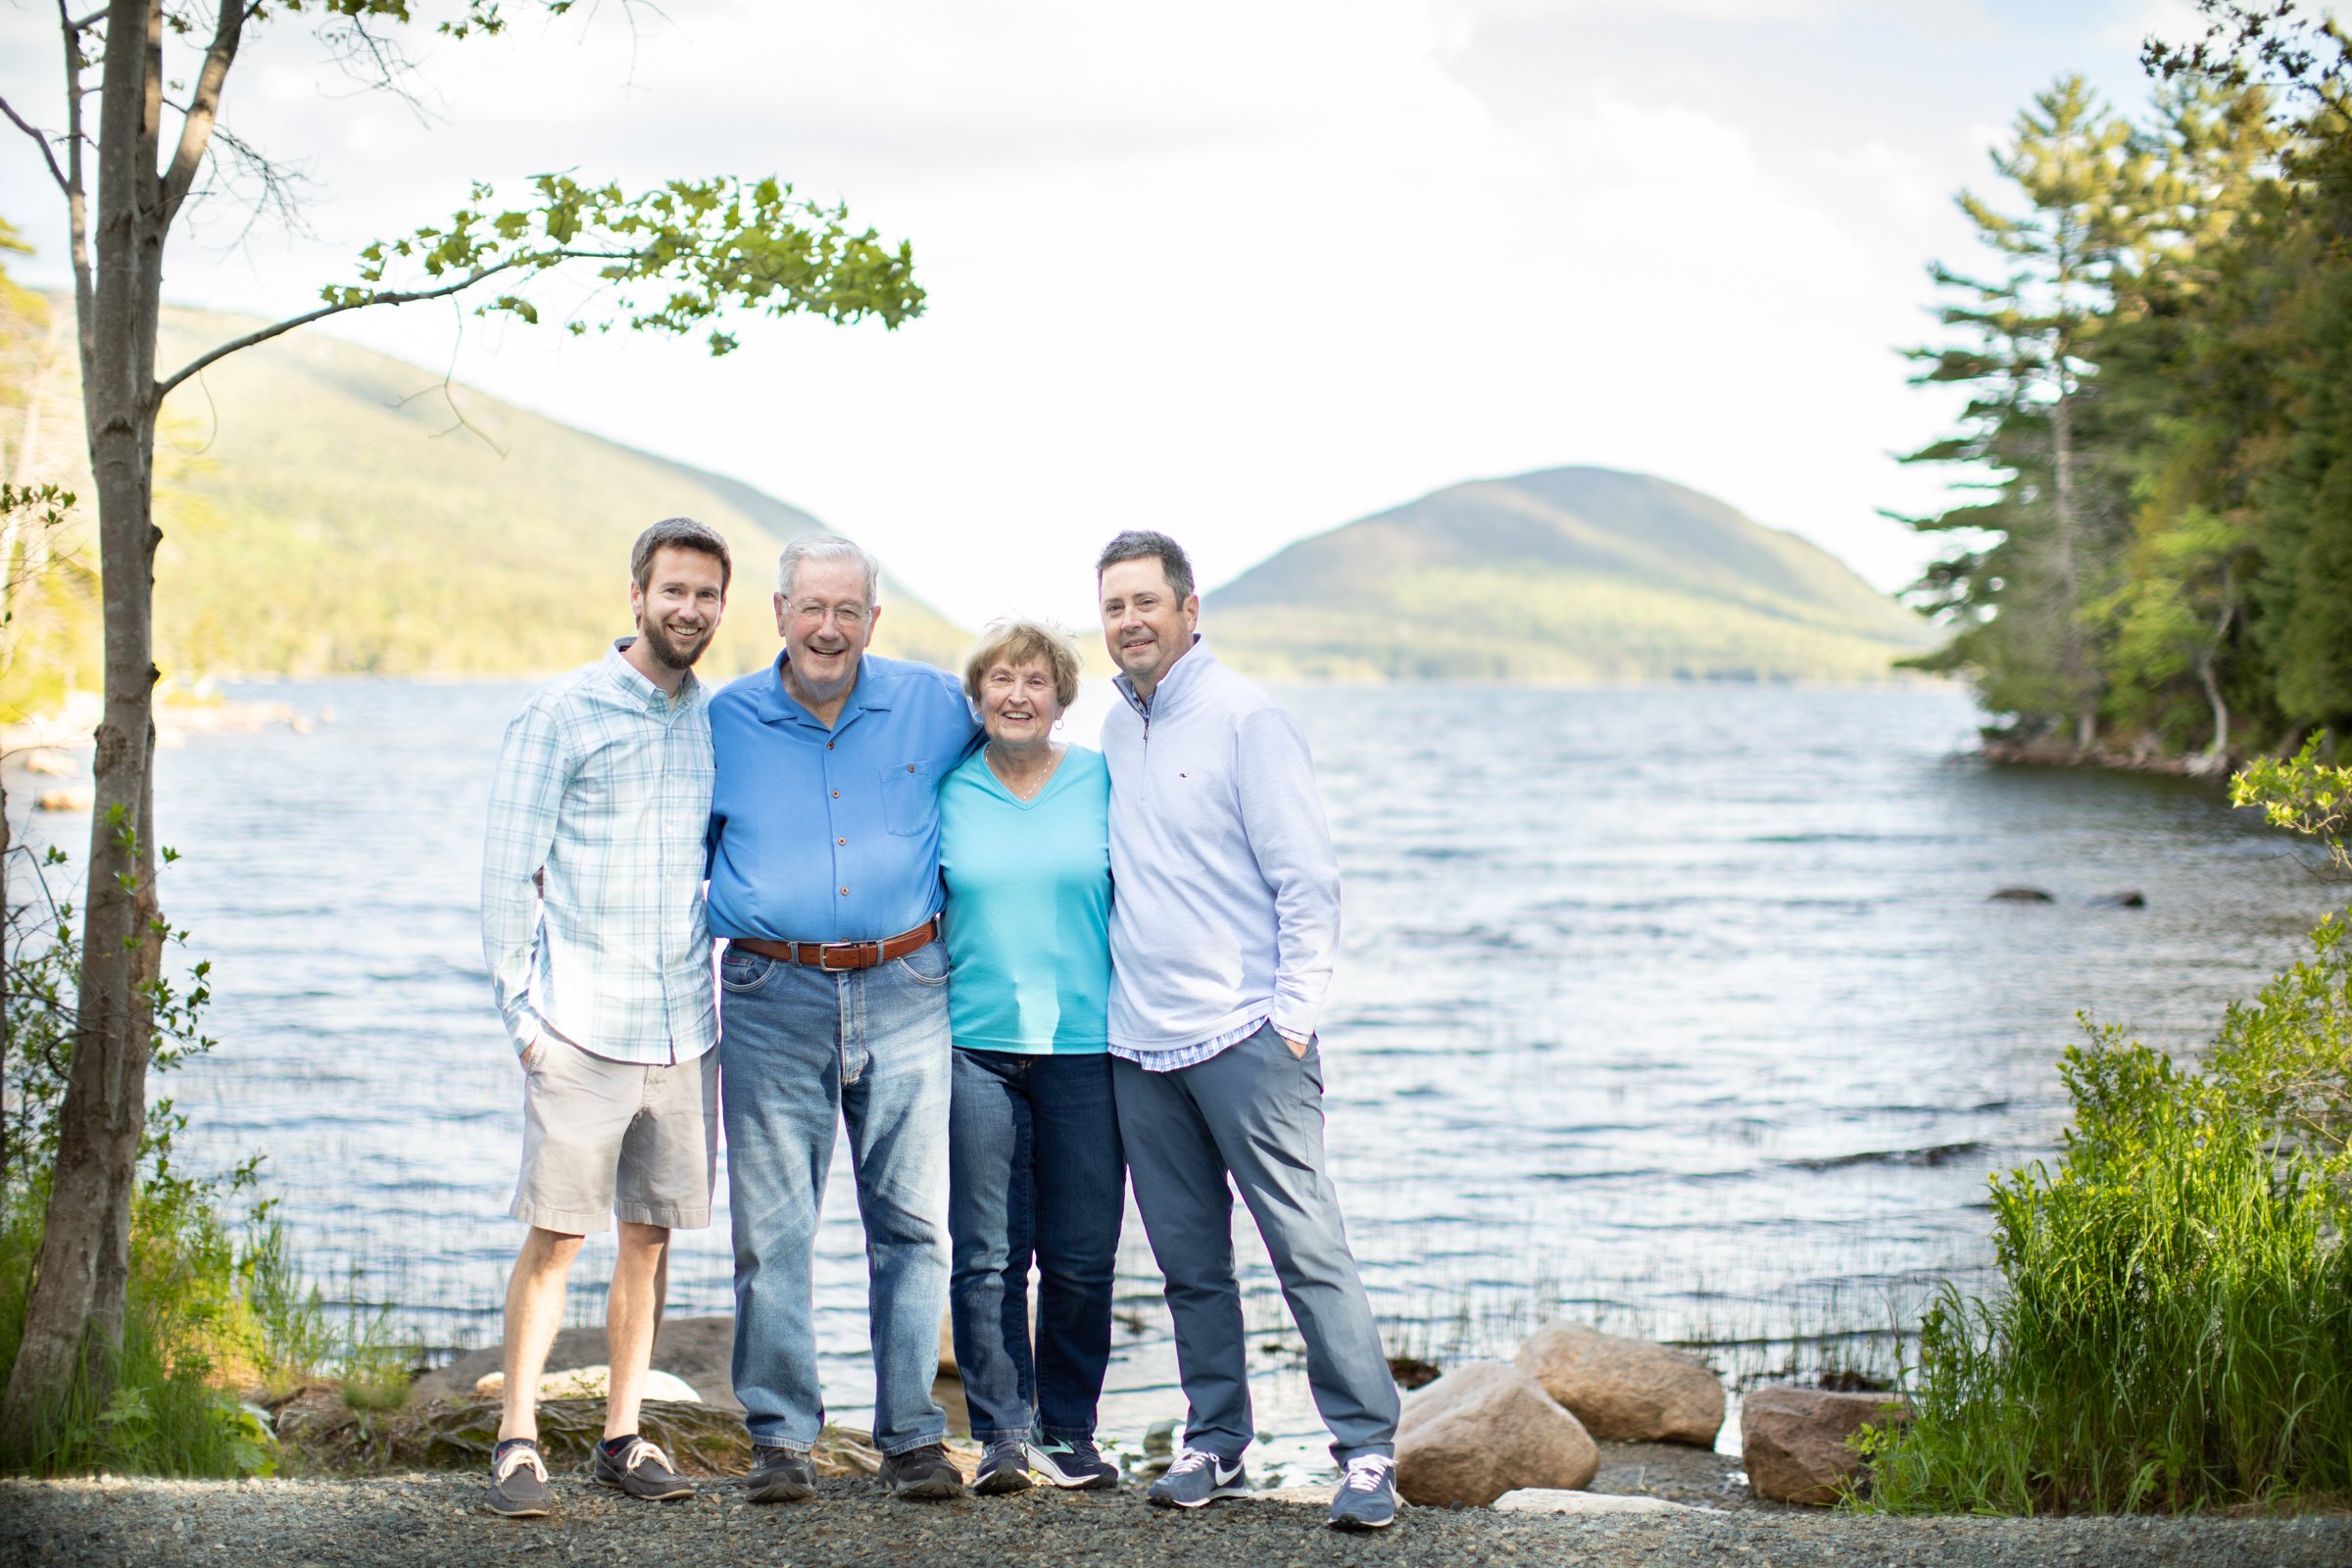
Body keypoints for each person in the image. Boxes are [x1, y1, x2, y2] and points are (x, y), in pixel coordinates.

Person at [1095, 528, 1402, 1532]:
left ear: (1189, 609)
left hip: (1248, 1039)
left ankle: (1364, 1452)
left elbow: (1309, 881)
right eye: (1114, 606)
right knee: (1189, 1263)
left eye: (1146, 601)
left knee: (1308, 1251)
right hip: (1142, 1045)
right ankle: (1215, 1441)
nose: (1130, 620)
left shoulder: (1244, 717)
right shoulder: (1111, 724)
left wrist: (1294, 1023)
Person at [707, 534, 981, 1503]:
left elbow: (1017, 774)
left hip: (909, 986)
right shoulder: (721, 720)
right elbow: (668, 845)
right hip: (770, 996)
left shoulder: (937, 704)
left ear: (873, 617)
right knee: (772, 1230)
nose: (829, 627)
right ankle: (782, 1438)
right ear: (779, 612)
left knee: (912, 1226)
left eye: (848, 609)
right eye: (811, 607)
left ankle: (911, 1435)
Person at [477, 517, 734, 1518]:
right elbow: (507, 872)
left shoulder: (716, 719)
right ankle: (517, 1439)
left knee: (650, 1237)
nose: (688, 609)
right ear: (637, 594)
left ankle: (624, 1434)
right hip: (580, 1024)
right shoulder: (563, 714)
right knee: (556, 1235)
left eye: (706, 594)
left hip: (683, 1025)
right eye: (673, 589)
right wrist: (524, 1019)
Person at [937, 620, 1124, 1496]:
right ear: (977, 698)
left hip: (1088, 1047)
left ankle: (1070, 1431)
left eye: (1036, 680)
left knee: (1083, 1255)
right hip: (974, 1046)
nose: (1017, 693)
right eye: (1000, 679)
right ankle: (1002, 1437)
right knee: (986, 1255)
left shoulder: (1101, 782)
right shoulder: (946, 789)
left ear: (1061, 698)